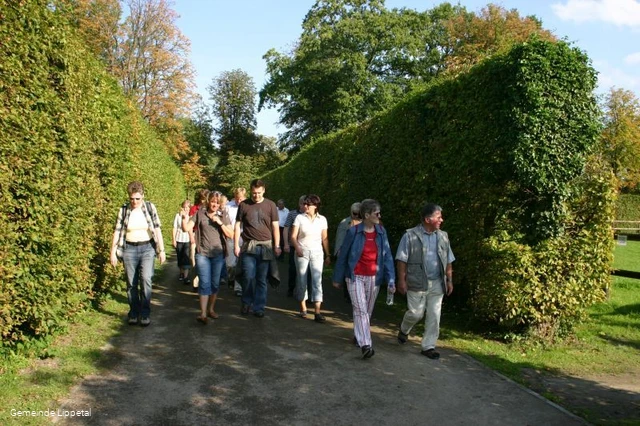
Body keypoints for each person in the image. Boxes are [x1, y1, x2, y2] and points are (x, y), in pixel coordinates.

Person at [332, 199, 395, 359]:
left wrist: (391, 279)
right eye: (377, 213)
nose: (380, 216)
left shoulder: (381, 232)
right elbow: (343, 255)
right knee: (360, 309)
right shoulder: (353, 232)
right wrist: (337, 277)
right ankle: (366, 345)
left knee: (366, 311)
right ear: (367, 215)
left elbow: (387, 256)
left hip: (374, 277)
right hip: (355, 276)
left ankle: (358, 335)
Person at [395, 203, 455, 360]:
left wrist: (449, 280)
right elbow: (401, 259)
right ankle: (404, 329)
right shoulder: (410, 235)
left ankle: (428, 346)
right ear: (428, 219)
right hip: (416, 281)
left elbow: (448, 260)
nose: (441, 220)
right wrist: (401, 280)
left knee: (434, 315)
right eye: (438, 217)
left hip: (437, 282)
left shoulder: (443, 236)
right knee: (416, 313)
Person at [110, 181, 166, 327]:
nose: (134, 202)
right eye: (132, 199)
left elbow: (157, 229)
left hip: (147, 248)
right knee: (131, 283)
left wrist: (161, 250)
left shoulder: (149, 207)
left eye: (137, 198)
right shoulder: (123, 210)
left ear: (143, 196)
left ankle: (145, 313)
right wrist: (112, 252)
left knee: (146, 279)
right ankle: (134, 312)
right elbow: (117, 231)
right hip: (129, 249)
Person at [181, 191, 234, 324]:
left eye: (217, 202)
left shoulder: (223, 215)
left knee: (214, 284)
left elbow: (231, 234)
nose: (214, 204)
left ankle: (211, 309)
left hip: (218, 254)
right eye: (212, 201)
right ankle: (203, 313)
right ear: (208, 201)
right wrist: (184, 217)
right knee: (204, 283)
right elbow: (186, 228)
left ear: (220, 203)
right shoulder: (200, 213)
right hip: (203, 254)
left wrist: (219, 223)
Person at [234, 179, 281, 318]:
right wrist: (236, 244)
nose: (256, 196)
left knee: (261, 279)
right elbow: (237, 225)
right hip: (249, 246)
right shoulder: (244, 205)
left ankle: (259, 307)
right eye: (254, 193)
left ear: (264, 190)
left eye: (259, 193)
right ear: (250, 191)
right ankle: (247, 302)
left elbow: (275, 227)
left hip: (266, 246)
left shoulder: (271, 205)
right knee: (248, 276)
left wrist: (277, 245)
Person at [290, 194, 331, 322]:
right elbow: (293, 236)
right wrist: (297, 248)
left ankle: (317, 312)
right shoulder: (299, 218)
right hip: (302, 251)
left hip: (317, 252)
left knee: (317, 280)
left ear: (315, 206)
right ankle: (303, 309)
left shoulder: (322, 219)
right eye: (304, 204)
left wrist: (328, 255)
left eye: (308, 204)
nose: (305, 206)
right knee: (302, 280)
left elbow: (324, 238)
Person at [333, 202, 362, 304]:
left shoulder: (367, 223)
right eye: (354, 213)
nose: (356, 215)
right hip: (348, 252)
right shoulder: (345, 222)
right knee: (348, 273)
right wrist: (339, 251)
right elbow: (340, 238)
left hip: (361, 254)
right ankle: (348, 295)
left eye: (358, 213)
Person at [283, 195, 307, 297]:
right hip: (294, 245)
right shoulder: (292, 214)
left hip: (306, 246)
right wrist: (286, 244)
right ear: (299, 204)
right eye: (303, 204)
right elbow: (286, 228)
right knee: (293, 269)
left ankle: (304, 291)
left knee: (306, 270)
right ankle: (291, 288)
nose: (305, 206)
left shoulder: (311, 215)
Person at [227, 187, 247, 296]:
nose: (238, 201)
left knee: (241, 263)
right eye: (237, 198)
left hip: (243, 237)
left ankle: (238, 287)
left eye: (241, 199)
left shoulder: (248, 206)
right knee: (230, 264)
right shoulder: (228, 207)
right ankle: (231, 277)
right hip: (231, 236)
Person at [172, 200, 192, 283]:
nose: (186, 209)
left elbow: (190, 229)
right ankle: (181, 273)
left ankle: (186, 277)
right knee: (180, 257)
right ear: (182, 208)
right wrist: (173, 239)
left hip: (187, 240)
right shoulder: (177, 216)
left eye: (187, 207)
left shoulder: (191, 217)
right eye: (184, 207)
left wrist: (192, 239)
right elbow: (175, 228)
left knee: (186, 257)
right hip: (179, 239)